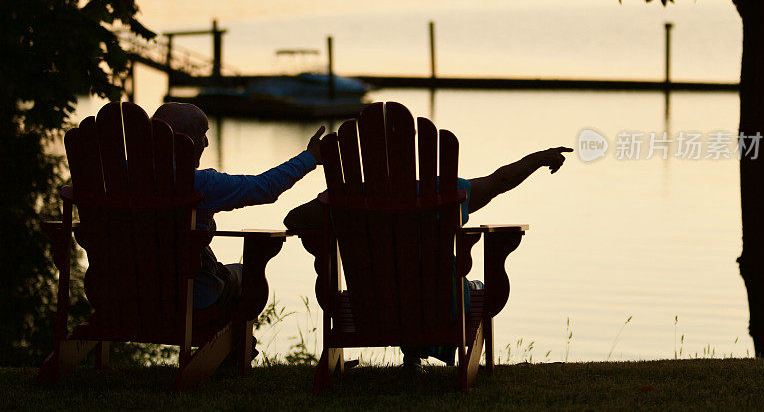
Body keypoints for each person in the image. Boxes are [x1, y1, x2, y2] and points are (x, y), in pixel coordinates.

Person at [283, 140, 573, 369]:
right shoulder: (445, 191)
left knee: (402, 282)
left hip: (371, 310)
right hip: (438, 310)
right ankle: (420, 356)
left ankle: (412, 358)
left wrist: (334, 206)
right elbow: (499, 181)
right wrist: (541, 157)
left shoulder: (346, 199)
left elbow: (293, 219)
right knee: (466, 287)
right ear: (414, 159)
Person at [152, 102, 325, 316]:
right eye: (201, 134)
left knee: (223, 272)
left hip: (119, 295)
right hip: (190, 299)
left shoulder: (115, 178)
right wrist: (310, 157)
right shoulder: (199, 184)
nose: (206, 142)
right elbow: (263, 188)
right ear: (183, 140)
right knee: (244, 275)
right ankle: (240, 348)